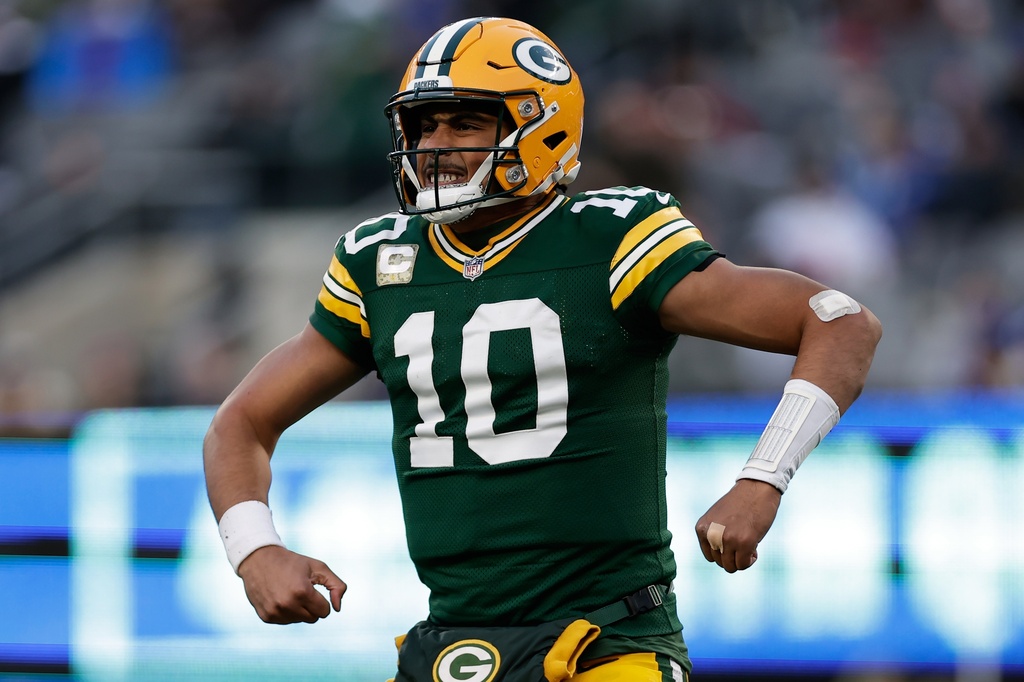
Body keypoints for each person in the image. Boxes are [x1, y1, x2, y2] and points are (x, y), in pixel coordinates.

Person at [203, 16, 882, 682]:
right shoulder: (378, 260)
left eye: (465, 123)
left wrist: (763, 479)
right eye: (423, 125)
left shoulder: (611, 237)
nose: (435, 146)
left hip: (607, 642)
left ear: (541, 128)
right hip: (449, 644)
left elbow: (840, 322)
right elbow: (241, 423)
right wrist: (254, 549)